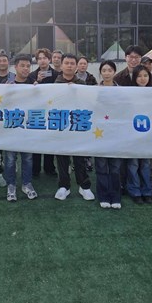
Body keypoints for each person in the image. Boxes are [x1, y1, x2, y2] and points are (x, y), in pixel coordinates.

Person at [53, 54, 95, 201]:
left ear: (76, 66)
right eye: (67, 63)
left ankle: (84, 186)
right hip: (62, 125)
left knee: (80, 157)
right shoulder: (55, 84)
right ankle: (64, 186)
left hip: (78, 125)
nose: (69, 65)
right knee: (62, 158)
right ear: (61, 65)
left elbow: (88, 103)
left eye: (72, 63)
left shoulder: (82, 84)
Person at [4, 55, 38, 201]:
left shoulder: (34, 84)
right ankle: (11, 184)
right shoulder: (8, 84)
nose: (25, 68)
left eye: (28, 66)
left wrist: (38, 90)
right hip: (11, 127)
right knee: (10, 159)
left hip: (28, 128)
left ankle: (26, 183)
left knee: (28, 158)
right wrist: (6, 91)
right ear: (15, 67)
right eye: (22, 65)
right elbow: (1, 104)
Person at [127, 64, 152, 204]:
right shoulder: (128, 93)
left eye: (145, 75)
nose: (142, 78)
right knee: (133, 164)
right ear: (134, 78)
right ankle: (134, 190)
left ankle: (147, 190)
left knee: (145, 163)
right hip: (132, 134)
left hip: (148, 134)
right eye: (139, 76)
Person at [95, 60, 122, 209]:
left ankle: (116, 196)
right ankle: (103, 195)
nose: (106, 73)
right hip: (99, 133)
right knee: (101, 166)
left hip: (116, 133)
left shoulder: (122, 91)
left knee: (115, 167)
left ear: (114, 72)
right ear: (100, 73)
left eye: (109, 70)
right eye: (104, 70)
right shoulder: (94, 90)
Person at [27, 48, 58, 177]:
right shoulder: (32, 75)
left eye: (44, 58)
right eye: (39, 58)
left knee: (50, 140)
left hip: (51, 112)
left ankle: (49, 168)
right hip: (37, 112)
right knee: (36, 140)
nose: (42, 61)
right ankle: (35, 169)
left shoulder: (57, 74)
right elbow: (28, 94)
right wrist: (38, 81)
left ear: (49, 59)